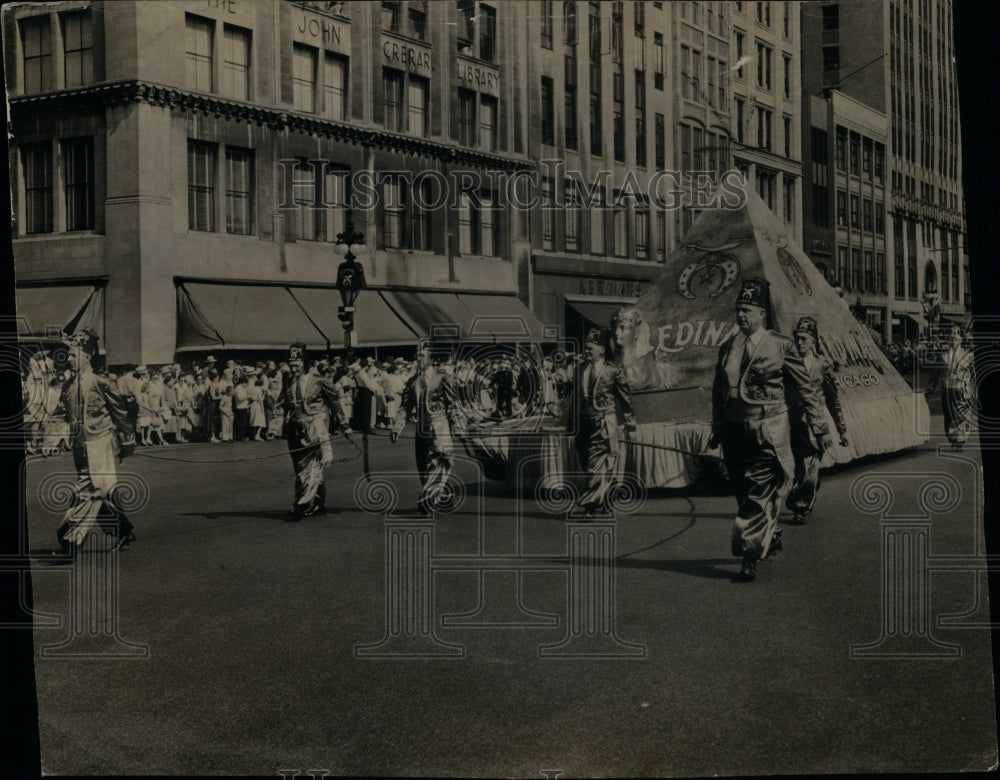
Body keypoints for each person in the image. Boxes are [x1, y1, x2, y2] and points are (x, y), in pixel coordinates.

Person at [709, 279, 832, 582]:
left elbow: (808, 390)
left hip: (767, 430)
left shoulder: (781, 345)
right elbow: (718, 390)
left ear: (762, 313)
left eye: (747, 310)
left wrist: (820, 426)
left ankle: (750, 556)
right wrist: (717, 426)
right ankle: (770, 533)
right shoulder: (728, 345)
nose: (741, 315)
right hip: (734, 430)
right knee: (742, 492)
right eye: (738, 309)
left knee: (756, 493)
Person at [52, 329, 137, 553]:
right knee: (103, 492)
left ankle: (70, 539)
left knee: (89, 490)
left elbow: (120, 413)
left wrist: (127, 443)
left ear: (86, 356)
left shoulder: (102, 382)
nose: (68, 359)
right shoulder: (68, 385)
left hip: (100, 442)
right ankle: (123, 531)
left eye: (73, 355)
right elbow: (61, 413)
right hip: (79, 445)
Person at [784, 317, 849, 525]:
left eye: (804, 339)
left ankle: (800, 507)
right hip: (791, 422)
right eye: (797, 339)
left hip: (815, 425)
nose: (800, 343)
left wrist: (842, 429)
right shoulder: (788, 363)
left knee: (810, 464)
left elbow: (833, 399)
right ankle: (809, 486)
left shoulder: (822, 365)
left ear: (813, 341)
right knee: (798, 468)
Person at [569, 327, 636, 518]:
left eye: (590, 348)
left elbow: (626, 399)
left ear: (601, 350)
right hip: (583, 425)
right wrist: (570, 424)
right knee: (590, 464)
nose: (586, 351)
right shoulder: (579, 369)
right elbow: (575, 400)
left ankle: (590, 507)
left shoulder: (613, 371)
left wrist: (630, 423)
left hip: (603, 424)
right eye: (586, 348)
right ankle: (606, 500)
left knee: (594, 465)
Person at [390, 341, 459, 515]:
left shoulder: (443, 377)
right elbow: (405, 407)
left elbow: (453, 405)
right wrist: (397, 428)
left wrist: (458, 426)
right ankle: (439, 496)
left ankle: (428, 500)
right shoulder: (412, 382)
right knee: (423, 466)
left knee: (441, 462)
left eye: (422, 355)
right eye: (417, 355)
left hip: (439, 426)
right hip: (421, 429)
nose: (418, 358)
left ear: (430, 357)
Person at [279, 342, 338, 519]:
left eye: (296, 366)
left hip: (314, 428)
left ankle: (301, 505)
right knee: (302, 468)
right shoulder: (288, 380)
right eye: (291, 366)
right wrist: (276, 425)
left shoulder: (319, 380)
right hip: (294, 430)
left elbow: (334, 401)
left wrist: (344, 424)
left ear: (304, 364)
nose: (293, 369)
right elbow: (283, 402)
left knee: (309, 467)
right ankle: (319, 502)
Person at [941, 327, 975, 451]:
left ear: (960, 338)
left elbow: (974, 372)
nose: (953, 338)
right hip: (947, 388)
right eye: (951, 336)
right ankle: (953, 439)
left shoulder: (968, 354)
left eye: (955, 335)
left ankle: (959, 441)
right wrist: (931, 387)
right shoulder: (944, 355)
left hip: (961, 388)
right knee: (949, 415)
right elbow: (936, 373)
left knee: (960, 415)